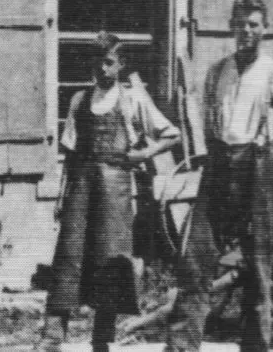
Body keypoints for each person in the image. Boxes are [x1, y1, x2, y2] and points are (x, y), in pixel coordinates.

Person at [165, 0, 273, 352]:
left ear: (265, 29)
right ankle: (181, 345)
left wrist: (269, 171)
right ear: (231, 28)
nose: (246, 31)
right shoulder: (217, 72)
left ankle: (255, 346)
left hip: (259, 170)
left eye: (253, 24)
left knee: (257, 267)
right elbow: (210, 127)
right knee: (196, 258)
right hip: (219, 168)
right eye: (240, 24)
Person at [39, 34, 182, 352]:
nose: (102, 68)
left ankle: (102, 338)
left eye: (108, 62)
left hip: (115, 191)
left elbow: (172, 134)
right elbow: (70, 154)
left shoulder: (132, 99)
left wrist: (144, 153)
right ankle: (52, 336)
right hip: (80, 187)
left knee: (110, 261)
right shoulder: (79, 100)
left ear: (121, 64)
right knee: (68, 256)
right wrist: (61, 198)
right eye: (97, 62)